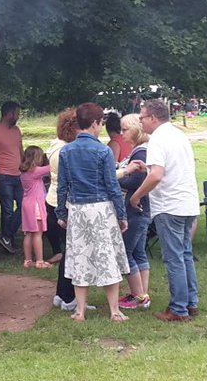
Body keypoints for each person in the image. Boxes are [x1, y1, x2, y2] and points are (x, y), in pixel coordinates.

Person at [55, 102, 129, 324]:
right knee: (106, 257)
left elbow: (62, 186)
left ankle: (79, 311)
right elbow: (112, 186)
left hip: (77, 210)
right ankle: (114, 311)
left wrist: (61, 212)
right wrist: (122, 214)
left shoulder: (66, 151)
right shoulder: (103, 151)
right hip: (101, 209)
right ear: (96, 123)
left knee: (80, 258)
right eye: (100, 123)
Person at [128, 99, 200, 323]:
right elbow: (166, 168)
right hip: (188, 203)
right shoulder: (178, 135)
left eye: (142, 117)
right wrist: (146, 169)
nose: (140, 121)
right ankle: (191, 302)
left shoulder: (157, 139)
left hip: (170, 205)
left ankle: (178, 309)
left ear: (153, 118)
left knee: (174, 258)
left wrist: (137, 195)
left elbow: (157, 175)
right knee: (185, 253)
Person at [46, 108, 83, 312]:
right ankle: (69, 297)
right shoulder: (65, 151)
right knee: (73, 253)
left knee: (68, 252)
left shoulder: (57, 146)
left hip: (54, 202)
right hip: (64, 205)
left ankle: (62, 295)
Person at [117, 113, 152, 311]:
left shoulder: (141, 153)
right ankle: (142, 294)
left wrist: (116, 177)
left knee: (126, 252)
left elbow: (136, 181)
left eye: (125, 129)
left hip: (136, 210)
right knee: (139, 252)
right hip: (143, 210)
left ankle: (139, 296)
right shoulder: (141, 151)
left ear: (136, 129)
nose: (122, 134)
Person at [0, 101, 23, 253]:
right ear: (9, 113)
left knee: (24, 206)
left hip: (19, 174)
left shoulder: (16, 130)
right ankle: (8, 238)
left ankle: (8, 235)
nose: (18, 116)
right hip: (3, 176)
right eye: (17, 113)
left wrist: (25, 167)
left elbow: (21, 150)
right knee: (7, 209)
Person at [18, 145, 51, 268]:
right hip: (35, 205)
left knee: (28, 233)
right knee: (38, 233)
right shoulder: (36, 171)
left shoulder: (24, 172)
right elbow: (52, 167)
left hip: (26, 204)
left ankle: (28, 260)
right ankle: (40, 261)